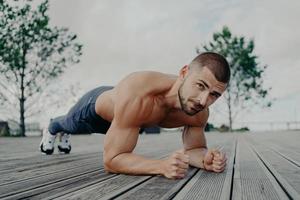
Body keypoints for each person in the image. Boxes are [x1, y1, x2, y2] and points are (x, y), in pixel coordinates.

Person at [40, 52, 230, 179]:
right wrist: (161, 166)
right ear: (183, 73)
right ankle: (51, 129)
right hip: (93, 112)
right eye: (200, 86)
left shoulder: (198, 112)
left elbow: (194, 149)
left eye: (214, 94)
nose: (204, 101)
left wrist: (206, 159)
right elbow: (112, 160)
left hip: (128, 119)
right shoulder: (140, 92)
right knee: (66, 123)